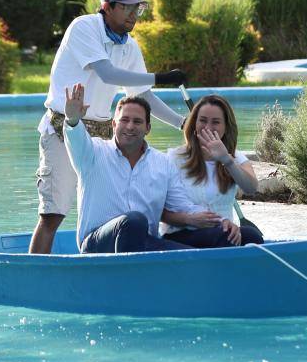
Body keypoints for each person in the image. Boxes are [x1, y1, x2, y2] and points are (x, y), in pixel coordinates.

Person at [30, 0, 187, 254]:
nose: (132, 15)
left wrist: (183, 124)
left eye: (136, 9)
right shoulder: (84, 27)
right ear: (107, 7)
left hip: (102, 136)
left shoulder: (130, 46)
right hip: (63, 129)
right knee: (52, 215)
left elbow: (143, 96)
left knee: (109, 214)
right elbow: (107, 73)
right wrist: (162, 77)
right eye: (125, 8)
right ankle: (32, 280)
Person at [63, 83, 226, 253]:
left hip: (144, 245)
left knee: (221, 238)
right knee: (135, 221)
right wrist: (72, 120)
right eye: (124, 120)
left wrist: (222, 222)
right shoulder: (92, 153)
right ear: (113, 125)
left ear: (148, 128)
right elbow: (75, 138)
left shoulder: (163, 163)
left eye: (137, 121)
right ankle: (130, 276)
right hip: (97, 245)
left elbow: (182, 206)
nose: (130, 126)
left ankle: (203, 266)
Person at [161, 95, 264, 248]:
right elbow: (159, 212)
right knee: (224, 237)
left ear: (226, 127)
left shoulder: (235, 156)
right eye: (202, 120)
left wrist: (227, 160)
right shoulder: (174, 158)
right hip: (181, 232)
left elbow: (251, 188)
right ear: (194, 123)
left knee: (252, 236)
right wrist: (189, 219)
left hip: (223, 230)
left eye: (215, 122)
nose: (208, 127)